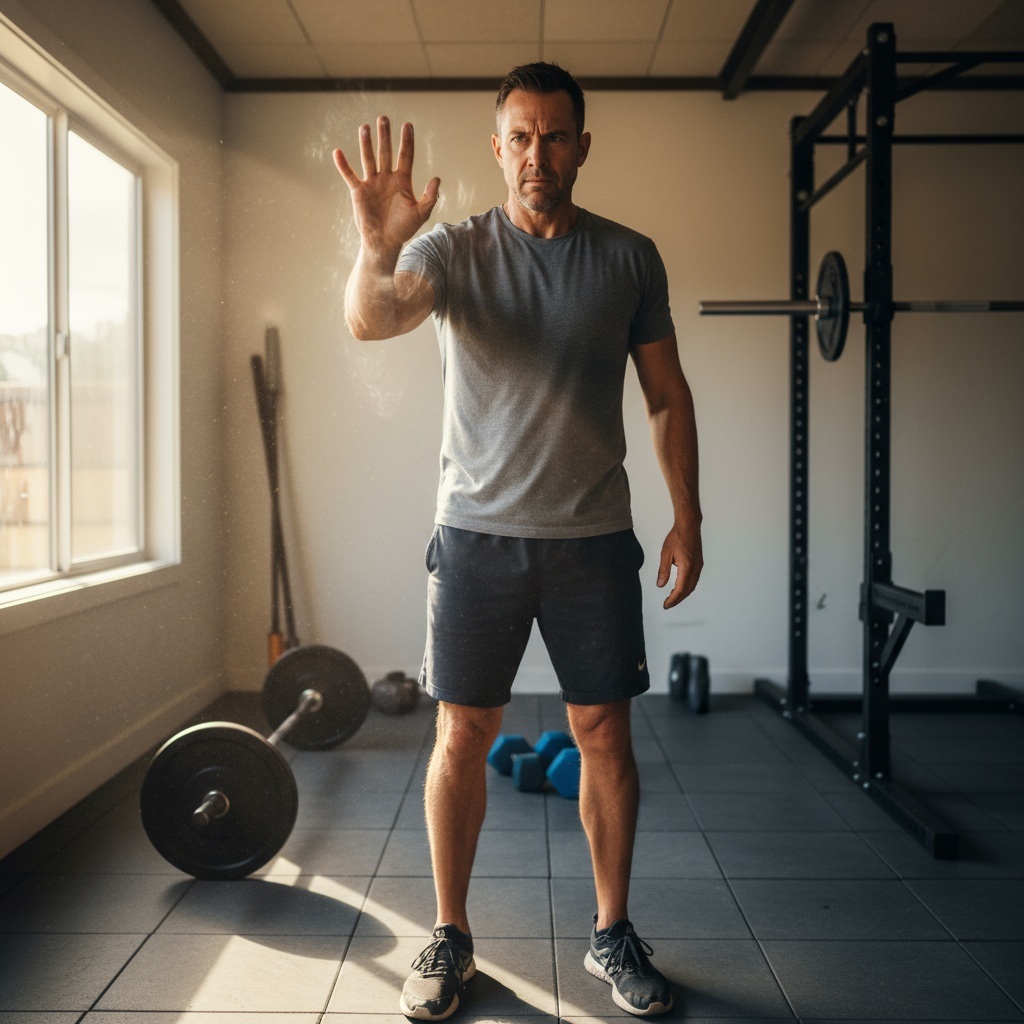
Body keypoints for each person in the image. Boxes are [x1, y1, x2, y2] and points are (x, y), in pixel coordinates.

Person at [333, 62, 702, 1021]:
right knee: (462, 733)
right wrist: (376, 250)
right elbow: (372, 320)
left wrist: (687, 516)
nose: (539, 153)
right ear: (499, 147)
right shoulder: (453, 251)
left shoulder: (630, 258)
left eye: (557, 135)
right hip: (477, 542)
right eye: (522, 137)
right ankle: (450, 936)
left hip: (594, 541)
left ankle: (611, 933)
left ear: (583, 144)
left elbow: (667, 396)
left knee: (604, 737)